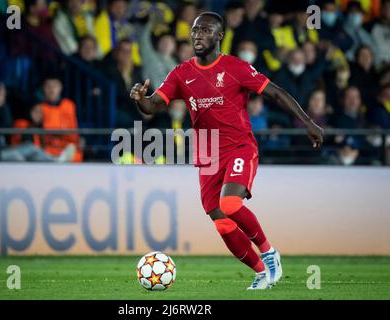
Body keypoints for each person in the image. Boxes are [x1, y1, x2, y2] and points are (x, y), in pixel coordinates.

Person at [130, 12, 324, 290]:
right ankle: (261, 273)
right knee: (220, 220)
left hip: (239, 145)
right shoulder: (181, 73)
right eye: (195, 30)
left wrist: (308, 122)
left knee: (230, 204)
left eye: (205, 30)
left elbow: (276, 93)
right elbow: (152, 107)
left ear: (219, 36)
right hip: (207, 152)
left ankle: (269, 253)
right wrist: (141, 99)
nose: (198, 35)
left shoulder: (236, 67)